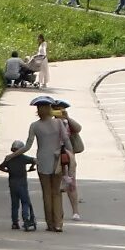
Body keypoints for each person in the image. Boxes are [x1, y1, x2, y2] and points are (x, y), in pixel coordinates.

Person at [22, 98, 76, 232]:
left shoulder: (34, 126)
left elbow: (27, 146)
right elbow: (66, 141)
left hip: (42, 161)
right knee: (56, 192)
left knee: (46, 193)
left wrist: (14, 155)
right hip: (57, 161)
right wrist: (71, 157)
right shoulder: (58, 123)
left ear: (39, 110)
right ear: (50, 108)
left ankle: (50, 223)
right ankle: (58, 224)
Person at [0, 140, 37, 231]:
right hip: (22, 184)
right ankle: (26, 219)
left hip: (12, 184)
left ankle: (15, 223)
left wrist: (8, 171)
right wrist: (32, 167)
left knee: (15, 204)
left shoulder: (8, 158)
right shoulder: (23, 158)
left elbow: (0, 167)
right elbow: (35, 160)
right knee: (25, 202)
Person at [55, 103, 83, 221]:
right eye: (55, 111)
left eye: (60, 110)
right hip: (55, 157)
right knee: (56, 185)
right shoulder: (51, 124)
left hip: (68, 157)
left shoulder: (67, 123)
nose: (58, 113)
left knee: (71, 184)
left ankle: (75, 211)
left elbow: (78, 128)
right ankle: (57, 211)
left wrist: (67, 117)